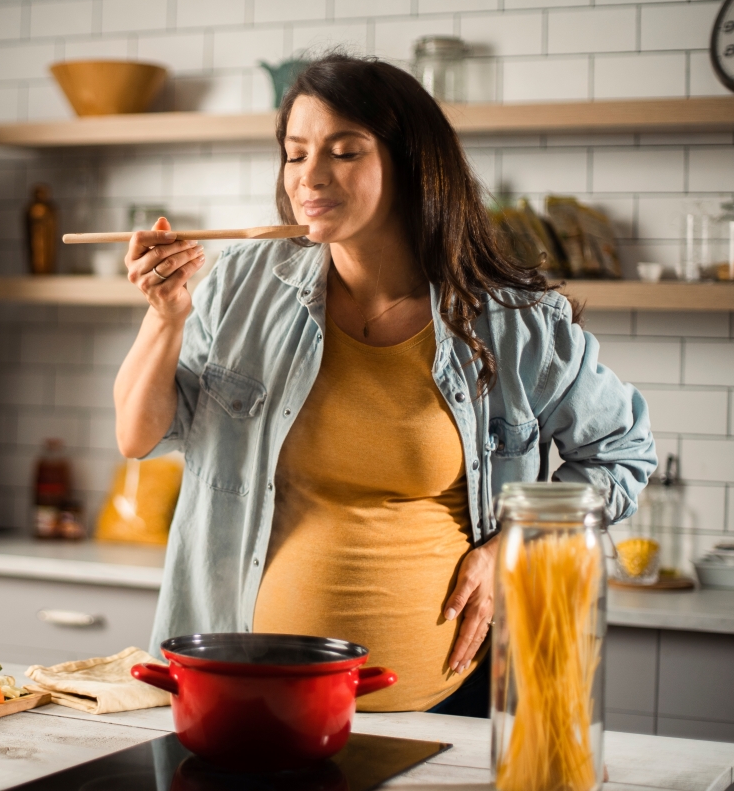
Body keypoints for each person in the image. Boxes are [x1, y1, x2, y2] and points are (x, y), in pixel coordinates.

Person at [112, 53, 656, 715]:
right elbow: (139, 436)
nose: (310, 177)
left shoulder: (514, 322)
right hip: (245, 700)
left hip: (451, 713)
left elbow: (621, 453)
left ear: (410, 164)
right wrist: (164, 317)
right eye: (295, 154)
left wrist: (511, 549)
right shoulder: (242, 284)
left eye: (344, 152)